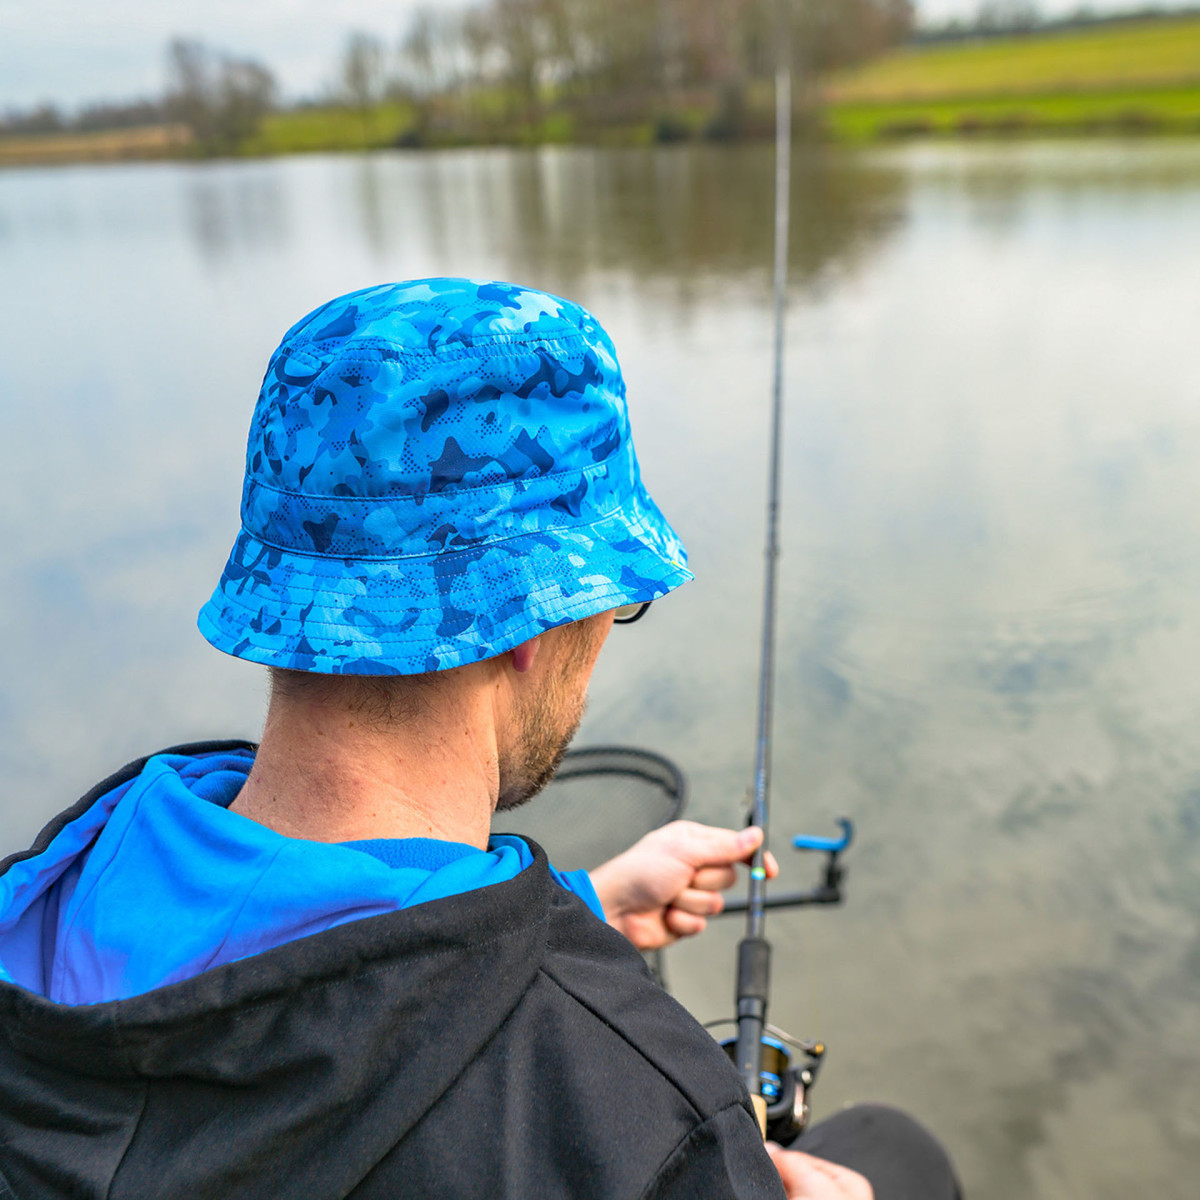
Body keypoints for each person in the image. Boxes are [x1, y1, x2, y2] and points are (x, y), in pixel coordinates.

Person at [0, 279, 959, 1200]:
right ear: (537, 623)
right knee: (894, 1151)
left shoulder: (53, 893)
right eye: (613, 610)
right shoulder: (645, 1117)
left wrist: (594, 903)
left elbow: (279, 1011)